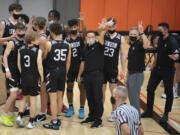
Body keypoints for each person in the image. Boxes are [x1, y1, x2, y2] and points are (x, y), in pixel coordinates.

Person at [141, 22, 179, 123]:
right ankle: (149, 111)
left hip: (168, 70)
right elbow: (158, 51)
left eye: (160, 30)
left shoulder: (172, 41)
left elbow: (176, 55)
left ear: (166, 30)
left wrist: (175, 57)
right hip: (157, 69)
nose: (158, 31)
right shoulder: (161, 39)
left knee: (169, 92)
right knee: (150, 88)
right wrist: (153, 65)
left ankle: (166, 114)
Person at [78, 19, 108, 128]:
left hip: (97, 75)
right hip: (87, 75)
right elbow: (83, 62)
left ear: (95, 38)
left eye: (92, 37)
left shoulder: (99, 46)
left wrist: (102, 27)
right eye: (88, 37)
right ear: (86, 38)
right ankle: (91, 116)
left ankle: (98, 119)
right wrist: (79, 75)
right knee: (90, 97)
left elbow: (101, 35)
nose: (90, 38)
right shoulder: (85, 47)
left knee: (97, 98)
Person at [43, 23, 71, 130]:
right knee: (60, 97)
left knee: (53, 98)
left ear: (52, 32)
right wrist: (66, 73)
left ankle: (54, 122)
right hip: (62, 72)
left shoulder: (49, 44)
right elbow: (68, 61)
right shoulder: (67, 44)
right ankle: (58, 118)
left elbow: (44, 56)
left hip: (52, 72)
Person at [0, 23, 26, 127]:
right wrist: (7, 70)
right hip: (11, 71)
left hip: (18, 71)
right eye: (19, 31)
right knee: (13, 95)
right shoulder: (12, 42)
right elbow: (4, 57)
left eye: (22, 30)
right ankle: (3, 115)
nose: (21, 32)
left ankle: (11, 114)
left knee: (16, 94)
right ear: (15, 31)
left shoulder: (23, 41)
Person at [16, 31, 43, 129]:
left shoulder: (20, 49)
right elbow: (39, 65)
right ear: (32, 40)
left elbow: (19, 64)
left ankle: (19, 116)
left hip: (24, 77)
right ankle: (31, 122)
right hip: (34, 78)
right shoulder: (38, 50)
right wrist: (42, 76)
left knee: (24, 98)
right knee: (33, 100)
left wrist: (23, 73)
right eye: (37, 38)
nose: (39, 40)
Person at [102, 18, 126, 122]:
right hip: (102, 68)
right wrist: (105, 25)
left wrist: (123, 69)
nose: (111, 28)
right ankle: (100, 112)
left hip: (112, 69)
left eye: (112, 26)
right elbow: (98, 31)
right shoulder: (104, 35)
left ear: (116, 26)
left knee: (114, 93)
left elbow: (123, 54)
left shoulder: (120, 38)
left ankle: (114, 113)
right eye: (109, 26)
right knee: (101, 93)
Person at [65, 15, 86, 119]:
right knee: (69, 86)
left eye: (75, 27)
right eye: (72, 27)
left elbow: (86, 33)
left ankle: (82, 108)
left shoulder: (81, 37)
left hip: (80, 65)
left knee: (82, 86)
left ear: (77, 27)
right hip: (69, 66)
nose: (74, 29)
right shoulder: (66, 38)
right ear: (69, 28)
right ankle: (70, 107)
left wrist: (83, 22)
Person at [126, 21, 149, 115]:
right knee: (131, 97)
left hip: (137, 75)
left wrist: (142, 32)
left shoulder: (139, 44)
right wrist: (127, 75)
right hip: (131, 74)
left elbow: (146, 45)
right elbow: (131, 62)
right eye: (131, 34)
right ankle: (134, 116)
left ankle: (136, 120)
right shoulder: (131, 46)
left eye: (135, 34)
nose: (132, 35)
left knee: (134, 99)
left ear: (138, 35)